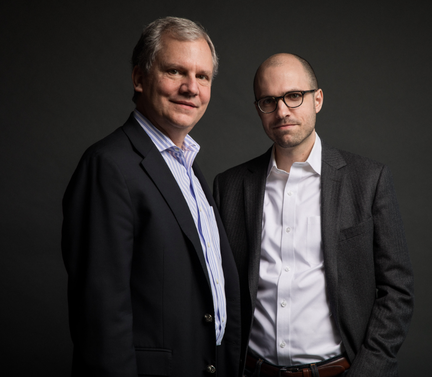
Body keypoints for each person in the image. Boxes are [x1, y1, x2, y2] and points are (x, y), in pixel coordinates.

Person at [213, 53, 414, 377]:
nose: (282, 111)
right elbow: (218, 290)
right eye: (269, 100)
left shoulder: (367, 180)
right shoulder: (230, 186)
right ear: (258, 109)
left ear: (317, 99)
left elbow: (397, 289)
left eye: (294, 96)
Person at [62, 17, 240, 376]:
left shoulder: (188, 167)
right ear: (139, 78)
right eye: (175, 71)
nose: (192, 88)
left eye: (202, 76)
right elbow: (100, 316)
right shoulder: (109, 166)